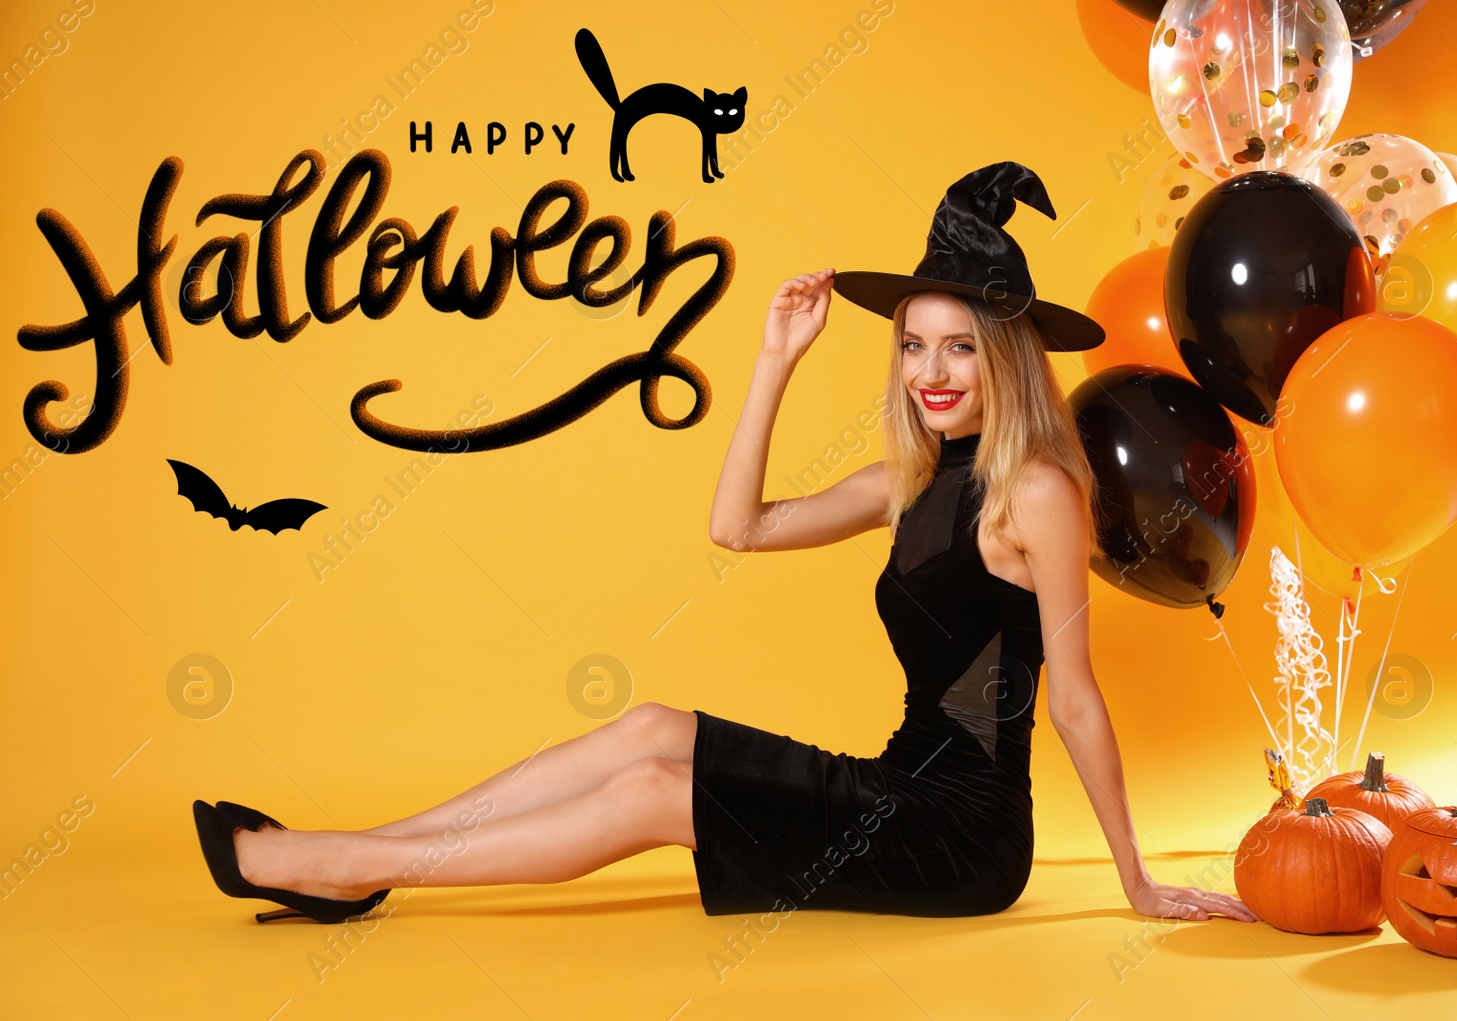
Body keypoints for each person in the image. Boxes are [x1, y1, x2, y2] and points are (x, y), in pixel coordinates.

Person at [192, 162, 1257, 927]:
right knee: (651, 724)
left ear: (1007, 360)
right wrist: (774, 361)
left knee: (657, 795)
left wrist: (1136, 878)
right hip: (890, 781)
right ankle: (368, 855)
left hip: (960, 838)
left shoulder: (1034, 489)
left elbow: (1072, 695)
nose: (932, 372)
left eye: (960, 349)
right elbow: (735, 528)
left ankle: (335, 862)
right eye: (913, 346)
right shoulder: (912, 479)